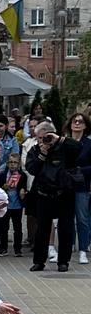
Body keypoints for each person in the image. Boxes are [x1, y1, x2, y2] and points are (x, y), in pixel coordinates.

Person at [26, 119, 80, 272]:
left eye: (46, 136)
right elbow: (32, 169)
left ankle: (63, 261)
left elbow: (79, 148)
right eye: (39, 138)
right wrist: (42, 154)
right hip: (44, 193)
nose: (43, 140)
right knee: (42, 228)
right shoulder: (36, 150)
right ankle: (39, 261)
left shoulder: (64, 146)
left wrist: (60, 139)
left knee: (65, 228)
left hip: (64, 193)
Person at [68, 111, 91, 264]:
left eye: (80, 122)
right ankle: (67, 247)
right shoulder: (65, 141)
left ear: (85, 126)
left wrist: (80, 170)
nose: (77, 124)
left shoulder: (88, 144)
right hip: (65, 185)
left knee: (82, 219)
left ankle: (83, 249)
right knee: (66, 218)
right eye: (75, 121)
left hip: (82, 185)